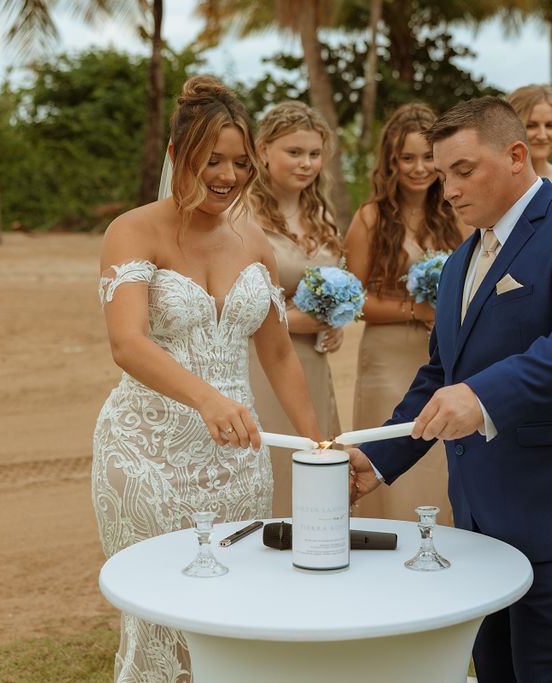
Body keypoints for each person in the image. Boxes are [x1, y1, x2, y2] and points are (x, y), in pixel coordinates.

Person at [348, 96, 552, 682]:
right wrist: (379, 456)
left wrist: (485, 396)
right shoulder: (463, 259)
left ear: (517, 156)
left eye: (463, 171)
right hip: (483, 527)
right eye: (442, 175)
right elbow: (443, 375)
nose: (450, 190)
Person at [92, 76, 321, 682]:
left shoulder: (255, 243)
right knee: (162, 615)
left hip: (238, 462)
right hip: (146, 454)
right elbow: (127, 342)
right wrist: (207, 399)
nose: (228, 175)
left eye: (241, 163)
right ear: (175, 157)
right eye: (211, 160)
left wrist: (316, 443)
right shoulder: (132, 231)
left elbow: (277, 356)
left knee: (233, 604)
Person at [344, 103, 467, 523]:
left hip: (441, 352)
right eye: (406, 158)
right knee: (389, 444)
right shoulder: (371, 217)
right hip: (387, 354)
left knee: (437, 451)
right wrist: (416, 309)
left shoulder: (456, 214)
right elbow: (355, 300)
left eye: (426, 158)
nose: (418, 169)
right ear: (390, 162)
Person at [239, 101, 344, 518]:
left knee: (314, 462)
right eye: (294, 153)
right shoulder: (241, 214)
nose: (306, 164)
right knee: (272, 465)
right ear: (263, 150)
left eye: (314, 154)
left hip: (314, 364)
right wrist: (306, 321)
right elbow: (235, 308)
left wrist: (335, 324)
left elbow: (332, 286)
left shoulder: (323, 214)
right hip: (260, 362)